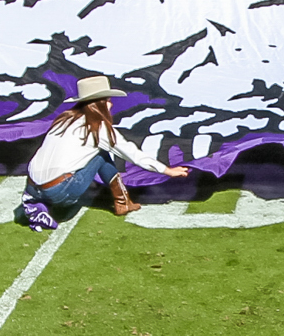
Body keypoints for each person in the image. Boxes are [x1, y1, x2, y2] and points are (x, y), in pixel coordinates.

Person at [19, 76, 190, 230]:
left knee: (87, 157)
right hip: (60, 192)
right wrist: (167, 170)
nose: (111, 104)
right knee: (101, 154)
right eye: (107, 100)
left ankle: (35, 202)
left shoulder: (63, 119)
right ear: (98, 103)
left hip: (32, 185)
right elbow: (131, 153)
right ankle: (123, 201)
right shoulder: (98, 128)